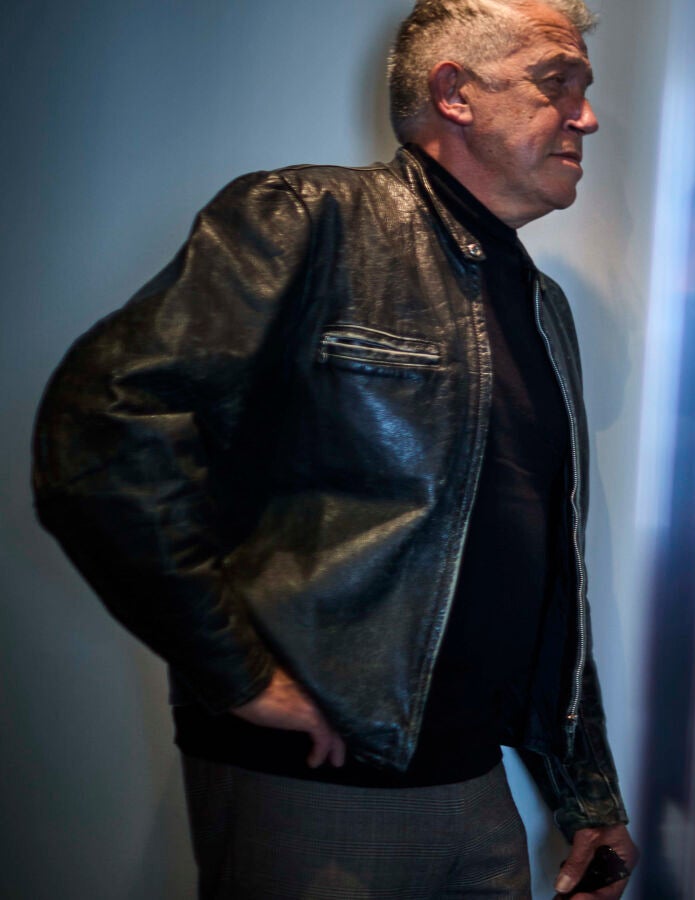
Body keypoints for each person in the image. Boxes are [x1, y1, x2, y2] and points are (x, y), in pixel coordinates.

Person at [32, 1, 634, 897]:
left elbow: (548, 573)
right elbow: (100, 429)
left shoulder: (542, 308)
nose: (586, 117)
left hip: (477, 788)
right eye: (558, 83)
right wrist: (237, 676)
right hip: (317, 787)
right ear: (454, 92)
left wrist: (586, 796)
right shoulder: (309, 219)